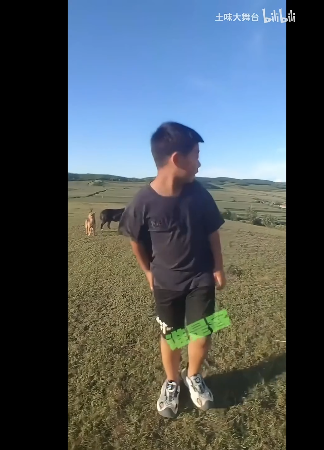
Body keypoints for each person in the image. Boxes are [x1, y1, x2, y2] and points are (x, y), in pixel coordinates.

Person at [119, 122, 227, 419]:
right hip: (166, 283)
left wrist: (218, 266)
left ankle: (194, 376)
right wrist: (148, 272)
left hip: (200, 277)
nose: (200, 163)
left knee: (201, 333)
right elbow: (136, 241)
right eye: (196, 156)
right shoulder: (143, 202)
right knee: (173, 336)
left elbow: (213, 232)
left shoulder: (199, 194)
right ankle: (172, 381)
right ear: (178, 159)